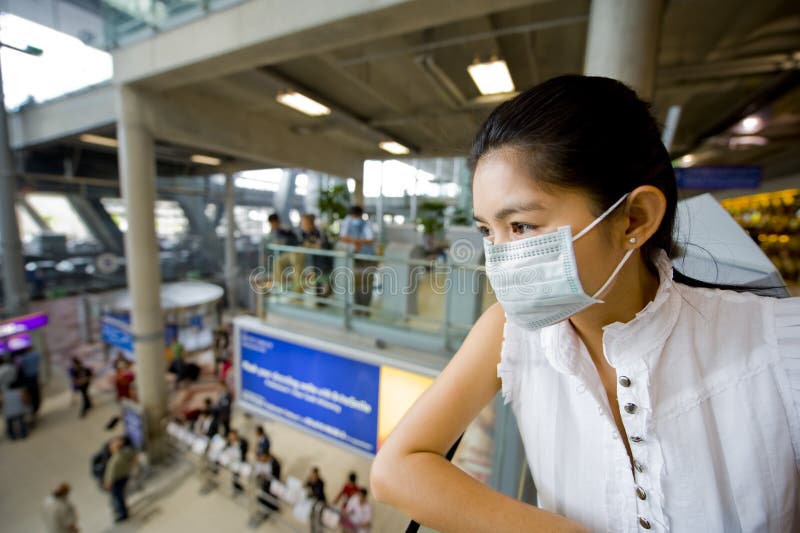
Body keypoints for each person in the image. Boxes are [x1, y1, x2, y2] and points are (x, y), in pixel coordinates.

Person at [370, 75, 800, 532]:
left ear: (635, 218)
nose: (499, 258)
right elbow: (396, 468)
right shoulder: (510, 332)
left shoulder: (779, 344)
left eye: (521, 226)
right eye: (486, 231)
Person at [338, 206, 376, 312]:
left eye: (355, 216)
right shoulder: (348, 222)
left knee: (367, 283)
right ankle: (357, 308)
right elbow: (343, 237)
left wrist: (356, 242)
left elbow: (370, 240)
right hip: (356, 258)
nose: (354, 218)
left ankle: (365, 308)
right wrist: (357, 242)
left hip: (368, 258)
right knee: (356, 283)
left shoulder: (366, 224)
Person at [104, 436, 137, 523]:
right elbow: (134, 459)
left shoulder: (115, 460)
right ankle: (123, 510)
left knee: (118, 497)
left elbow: (110, 474)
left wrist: (108, 482)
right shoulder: (126, 453)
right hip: (124, 476)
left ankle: (123, 513)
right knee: (120, 496)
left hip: (117, 479)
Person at [16, 347, 41, 419]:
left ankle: (31, 412)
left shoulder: (23, 358)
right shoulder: (35, 355)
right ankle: (35, 410)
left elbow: (18, 364)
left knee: (29, 396)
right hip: (35, 378)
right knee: (36, 395)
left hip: (27, 380)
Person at [3, 374, 29, 440]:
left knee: (9, 423)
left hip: (9, 413)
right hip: (19, 411)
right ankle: (23, 433)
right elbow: (25, 400)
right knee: (21, 421)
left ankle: (12, 435)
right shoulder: (19, 392)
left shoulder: (5, 394)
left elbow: (3, 403)